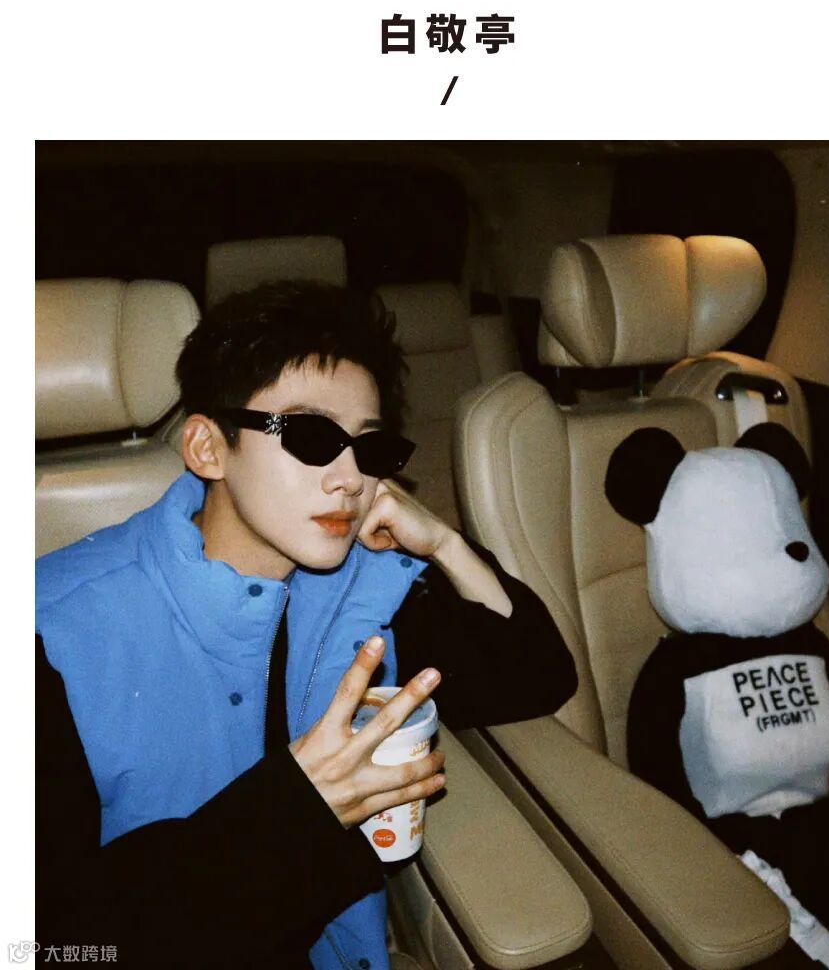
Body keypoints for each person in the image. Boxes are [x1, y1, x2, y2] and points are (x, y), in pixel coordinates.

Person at [36, 280, 577, 969]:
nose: (351, 478)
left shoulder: (362, 581)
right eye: (312, 436)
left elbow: (537, 677)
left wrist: (443, 542)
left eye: (370, 449)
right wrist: (295, 813)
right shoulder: (50, 635)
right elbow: (52, 943)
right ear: (208, 447)